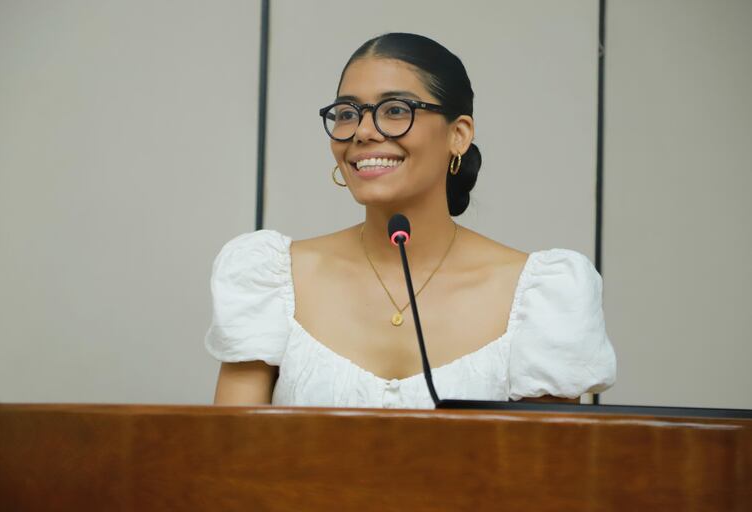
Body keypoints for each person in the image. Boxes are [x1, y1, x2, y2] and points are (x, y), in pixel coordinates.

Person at [204, 33, 616, 408]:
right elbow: (231, 460)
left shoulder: (539, 296)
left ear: (459, 134)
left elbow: (546, 476)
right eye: (347, 114)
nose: (363, 131)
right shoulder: (271, 279)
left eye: (395, 109)